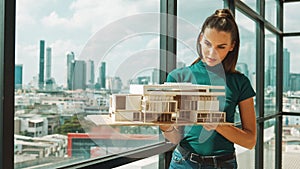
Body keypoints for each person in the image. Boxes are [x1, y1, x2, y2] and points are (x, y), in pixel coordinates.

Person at [159, 9, 256, 169]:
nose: (212, 53)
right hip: (183, 163)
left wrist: (217, 124)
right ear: (200, 39)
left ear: (232, 46)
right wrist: (164, 125)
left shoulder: (240, 82)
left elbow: (250, 141)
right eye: (208, 44)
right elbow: (175, 138)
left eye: (221, 47)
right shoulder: (178, 78)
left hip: (223, 164)